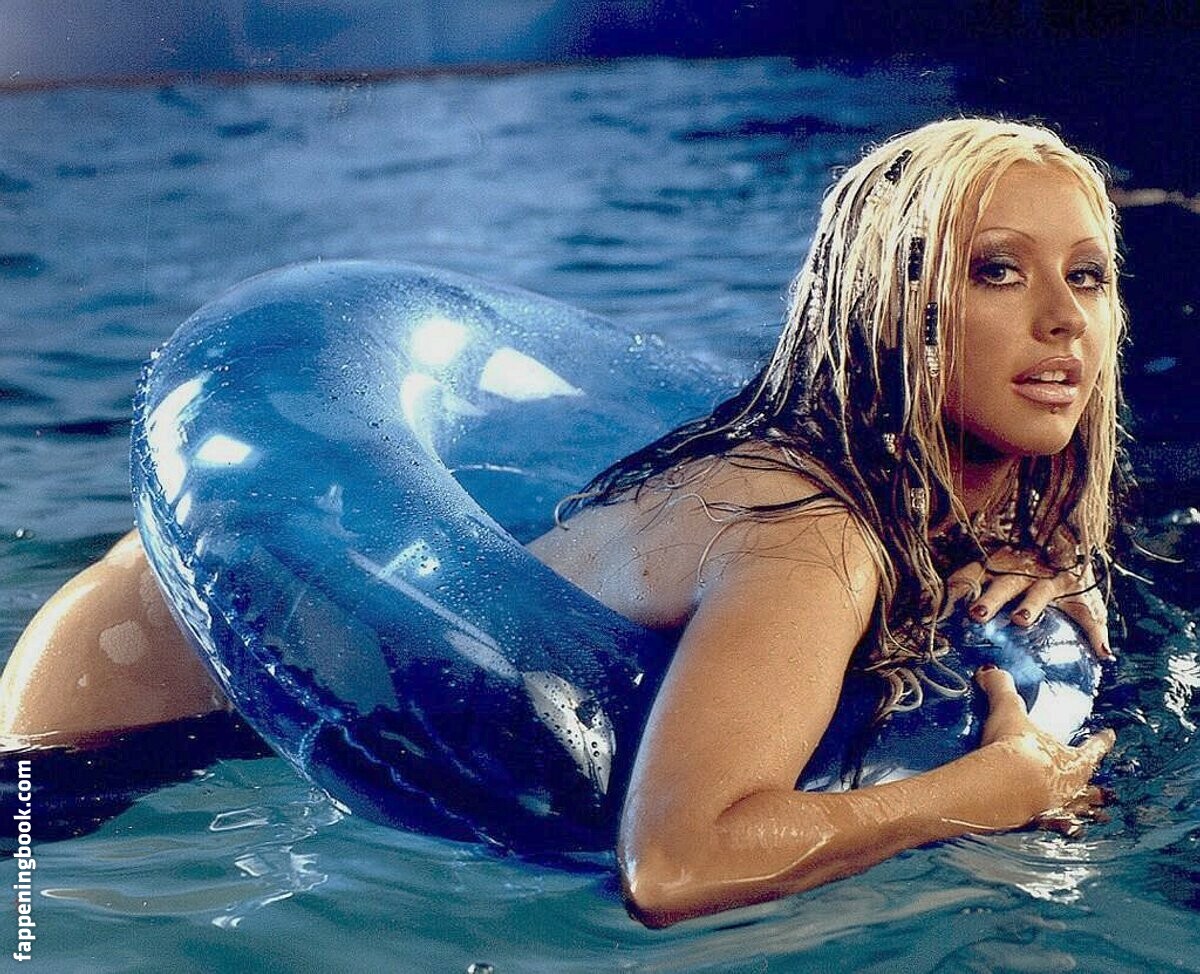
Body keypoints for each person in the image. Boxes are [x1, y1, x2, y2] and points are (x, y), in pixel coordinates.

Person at [0, 117, 1120, 927]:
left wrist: (1042, 549)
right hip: (161, 667)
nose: (1064, 319)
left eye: (1087, 275)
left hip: (297, 654)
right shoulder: (808, 535)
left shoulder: (929, 514)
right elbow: (676, 865)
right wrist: (978, 795)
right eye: (997, 272)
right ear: (895, 313)